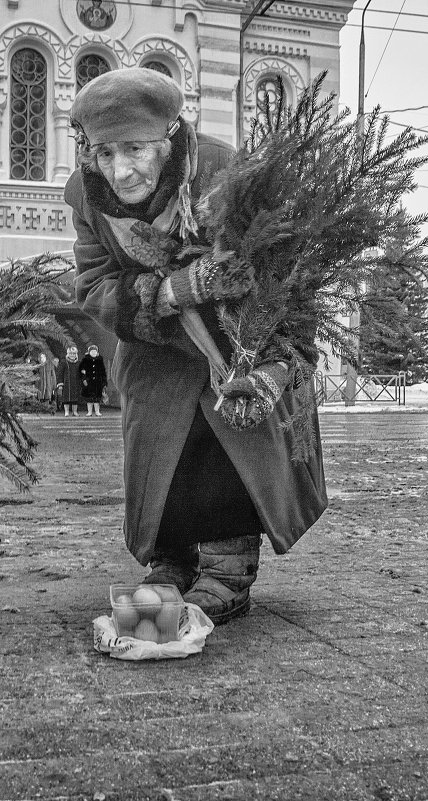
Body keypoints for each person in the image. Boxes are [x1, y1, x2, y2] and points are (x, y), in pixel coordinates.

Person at [64, 67, 327, 623]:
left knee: (224, 447)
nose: (121, 169)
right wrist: (168, 290)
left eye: (135, 148)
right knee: (163, 455)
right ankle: (173, 562)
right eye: (105, 153)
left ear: (169, 135)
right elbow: (91, 284)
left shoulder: (223, 172)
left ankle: (228, 570)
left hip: (231, 348)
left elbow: (282, 265)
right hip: (154, 351)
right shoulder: (84, 193)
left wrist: (268, 348)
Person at [78, 344, 108, 416]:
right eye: (92, 352)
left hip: (98, 383)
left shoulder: (100, 361)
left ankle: (97, 411)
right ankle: (89, 411)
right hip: (88, 382)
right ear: (89, 352)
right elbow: (81, 371)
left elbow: (103, 372)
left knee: (97, 399)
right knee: (89, 398)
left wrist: (104, 382)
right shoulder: (85, 360)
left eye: (95, 352)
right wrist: (84, 379)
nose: (93, 353)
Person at [56, 346, 82, 417]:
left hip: (76, 383)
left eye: (74, 353)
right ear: (68, 354)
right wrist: (60, 384)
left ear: (76, 354)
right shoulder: (64, 362)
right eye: (70, 353)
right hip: (66, 384)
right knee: (66, 398)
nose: (72, 355)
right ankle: (66, 412)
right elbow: (60, 374)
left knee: (75, 399)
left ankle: (75, 412)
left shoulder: (79, 363)